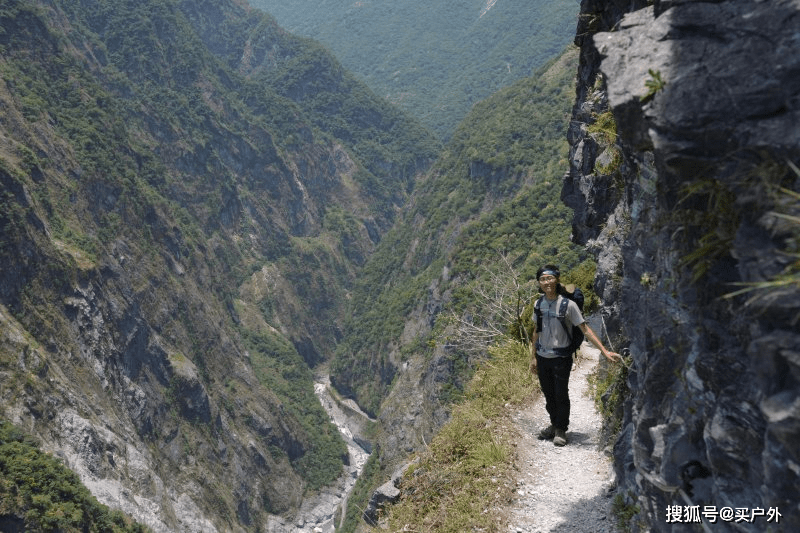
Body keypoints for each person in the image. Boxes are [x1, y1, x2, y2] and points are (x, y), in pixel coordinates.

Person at [529, 265, 620, 446]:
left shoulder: (568, 305)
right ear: (539, 283)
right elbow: (535, 331)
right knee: (548, 394)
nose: (546, 282)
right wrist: (533, 358)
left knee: (560, 393)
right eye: (543, 279)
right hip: (542, 357)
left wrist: (604, 350)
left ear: (556, 279)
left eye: (549, 278)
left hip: (561, 358)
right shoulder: (538, 304)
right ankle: (554, 424)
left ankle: (561, 429)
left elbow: (585, 330)